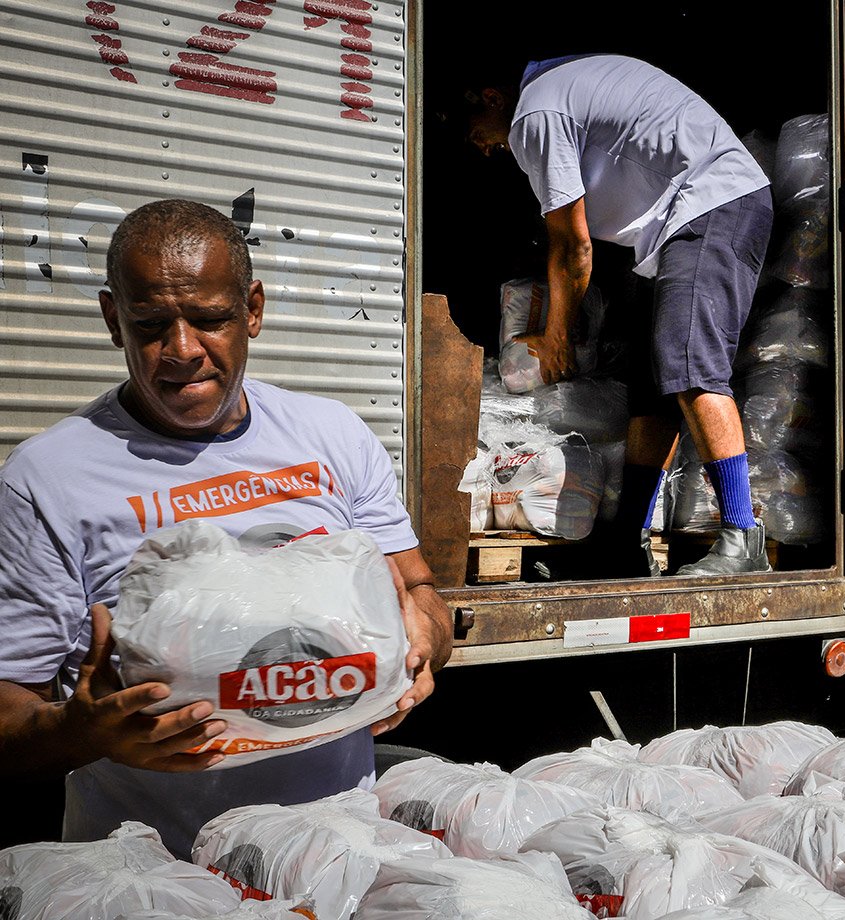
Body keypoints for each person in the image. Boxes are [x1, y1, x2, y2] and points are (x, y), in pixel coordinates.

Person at [0, 199, 455, 858]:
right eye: (151, 324)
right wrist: (84, 731)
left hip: (334, 865)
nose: (182, 350)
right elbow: (10, 713)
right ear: (110, 319)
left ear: (253, 310)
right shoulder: (49, 477)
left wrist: (422, 639)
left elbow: (420, 591)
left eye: (210, 319)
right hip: (158, 882)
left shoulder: (332, 437)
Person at [466, 53, 775, 576]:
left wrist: (555, 335)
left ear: (493, 99)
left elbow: (571, 246)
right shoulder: (558, 94)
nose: (478, 144)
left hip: (710, 203)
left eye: (469, 126)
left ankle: (744, 537)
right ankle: (624, 540)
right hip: (677, 223)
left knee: (689, 359)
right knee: (652, 384)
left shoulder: (535, 113)